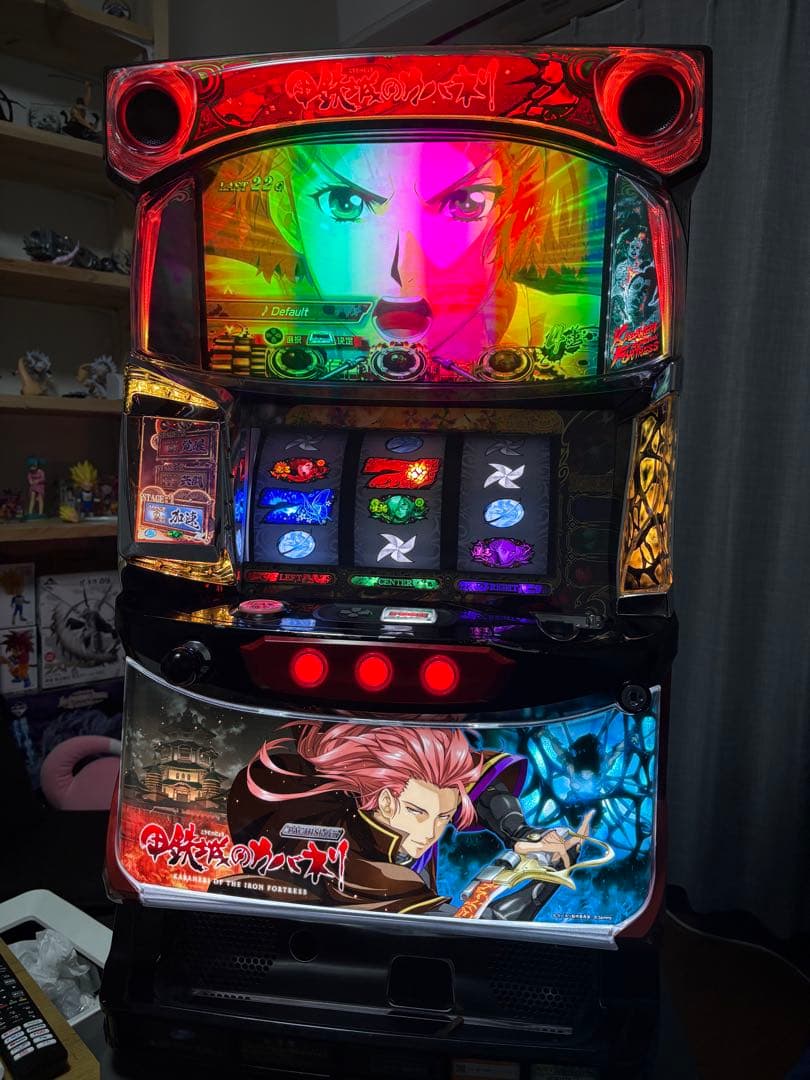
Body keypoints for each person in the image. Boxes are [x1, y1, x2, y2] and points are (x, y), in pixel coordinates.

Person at [203, 138, 604, 377]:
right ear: (287, 216)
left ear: (515, 211)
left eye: (464, 202)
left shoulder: (587, 329)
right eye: (345, 202)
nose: (404, 272)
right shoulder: (246, 327)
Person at [211, 721, 592, 920]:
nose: (430, 833)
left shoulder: (407, 793)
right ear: (386, 801)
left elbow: (478, 784)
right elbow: (478, 922)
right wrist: (552, 874)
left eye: (443, 817)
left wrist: (520, 833)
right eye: (418, 813)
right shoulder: (365, 867)